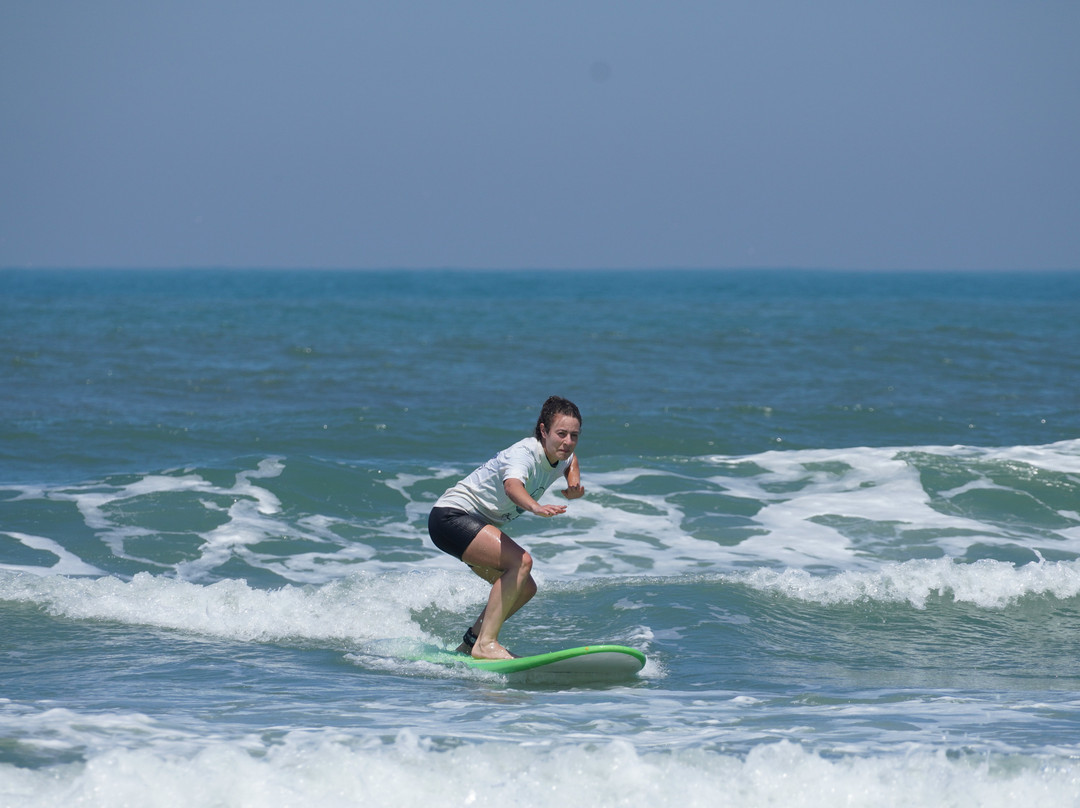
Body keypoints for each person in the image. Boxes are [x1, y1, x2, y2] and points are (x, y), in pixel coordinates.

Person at [427, 396, 584, 660]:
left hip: (471, 524)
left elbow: (572, 462)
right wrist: (535, 507)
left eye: (574, 435)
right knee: (521, 562)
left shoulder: (561, 455)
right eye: (561, 434)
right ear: (543, 431)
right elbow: (512, 486)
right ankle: (486, 644)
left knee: (525, 588)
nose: (567, 442)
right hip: (451, 517)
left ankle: (471, 643)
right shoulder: (523, 454)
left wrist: (574, 485)